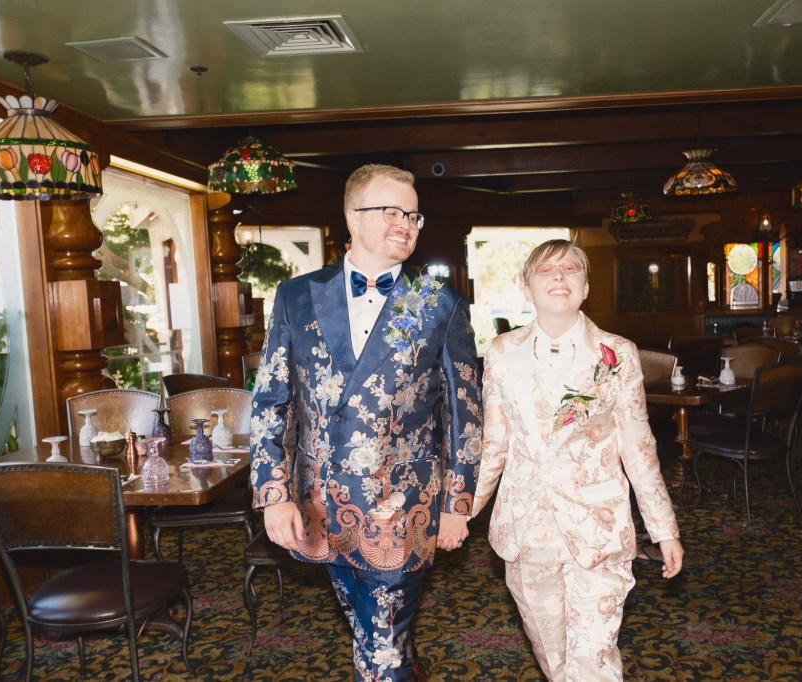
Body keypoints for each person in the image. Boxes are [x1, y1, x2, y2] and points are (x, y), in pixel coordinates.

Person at [250, 163, 482, 681]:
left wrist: (457, 504)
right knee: (371, 628)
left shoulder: (437, 303)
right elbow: (272, 401)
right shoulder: (297, 295)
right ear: (352, 216)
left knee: (380, 650)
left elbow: (466, 413)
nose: (406, 223)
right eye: (391, 210)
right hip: (317, 502)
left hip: (402, 507)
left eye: (414, 214)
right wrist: (274, 493)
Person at [470, 239, 683, 682]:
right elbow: (494, 445)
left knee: (595, 658)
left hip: (599, 526)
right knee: (554, 656)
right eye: (545, 270)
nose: (559, 276)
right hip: (527, 529)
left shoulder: (617, 354)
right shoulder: (501, 353)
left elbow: (639, 448)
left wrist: (664, 529)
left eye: (570, 269)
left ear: (586, 288)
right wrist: (460, 515)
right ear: (526, 289)